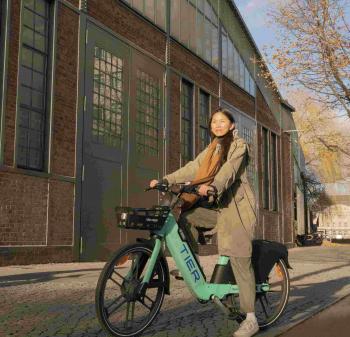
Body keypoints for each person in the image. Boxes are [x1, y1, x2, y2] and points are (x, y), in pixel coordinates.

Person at [149, 108, 258, 337]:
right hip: (217, 208)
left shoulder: (238, 146)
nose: (218, 125)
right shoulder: (212, 149)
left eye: (222, 121)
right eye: (214, 122)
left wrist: (213, 186)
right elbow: (193, 167)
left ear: (231, 125)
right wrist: (165, 179)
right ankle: (193, 267)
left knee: (240, 258)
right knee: (186, 217)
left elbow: (229, 171)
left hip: (237, 209)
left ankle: (250, 318)